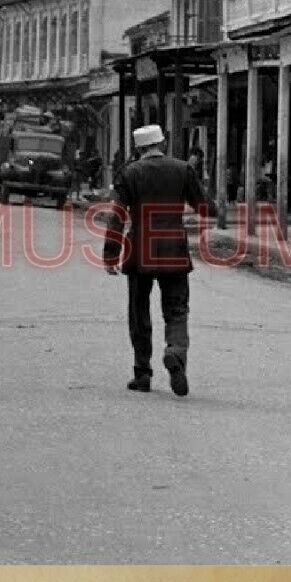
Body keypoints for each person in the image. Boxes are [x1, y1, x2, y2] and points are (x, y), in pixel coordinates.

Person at [103, 123, 206, 397]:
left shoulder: (129, 173)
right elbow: (204, 207)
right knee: (177, 310)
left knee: (139, 312)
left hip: (140, 251)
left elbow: (116, 216)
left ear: (138, 148)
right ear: (163, 143)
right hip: (174, 249)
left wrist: (110, 254)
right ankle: (175, 352)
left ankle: (142, 373)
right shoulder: (183, 169)